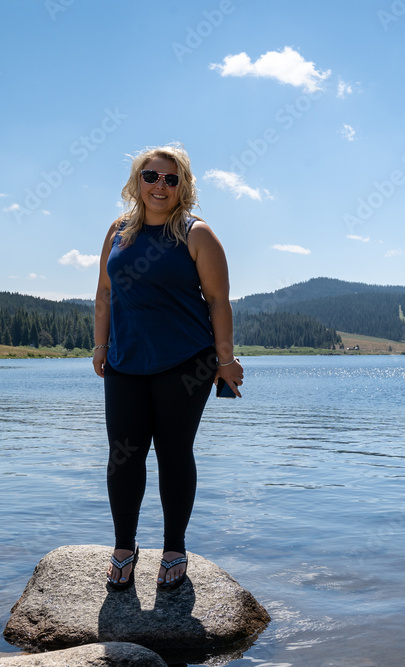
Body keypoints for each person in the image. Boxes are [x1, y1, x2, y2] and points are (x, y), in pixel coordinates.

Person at [92, 143, 243, 591]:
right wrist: (100, 346)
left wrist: (225, 360)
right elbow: (104, 293)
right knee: (123, 455)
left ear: (184, 187)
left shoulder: (197, 234)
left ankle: (174, 548)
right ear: (137, 181)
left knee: (174, 454)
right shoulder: (118, 231)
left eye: (171, 179)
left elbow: (218, 301)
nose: (160, 186)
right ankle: (124, 547)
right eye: (152, 176)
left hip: (185, 363)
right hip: (124, 361)